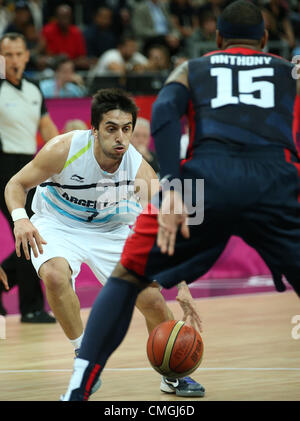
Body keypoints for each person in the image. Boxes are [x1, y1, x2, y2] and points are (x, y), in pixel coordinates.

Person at [59, 0, 300, 401]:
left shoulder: (192, 67)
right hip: (275, 179)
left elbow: (167, 112)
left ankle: (78, 387)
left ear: (217, 38)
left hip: (206, 182)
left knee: (127, 276)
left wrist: (171, 185)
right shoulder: (286, 67)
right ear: (264, 39)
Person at [5, 87, 204, 397]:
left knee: (152, 300)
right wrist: (20, 218)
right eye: (111, 128)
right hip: (58, 224)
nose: (121, 138)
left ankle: (172, 374)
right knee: (56, 275)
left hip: (112, 229)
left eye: (127, 129)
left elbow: (167, 224)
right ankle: (85, 359)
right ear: (94, 129)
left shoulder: (138, 169)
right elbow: (16, 184)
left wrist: (181, 284)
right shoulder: (63, 149)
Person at [0, 32, 58, 323]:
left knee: (34, 231)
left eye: (17, 53)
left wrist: (65, 159)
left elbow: (47, 129)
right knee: (27, 229)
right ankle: (32, 307)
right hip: (2, 165)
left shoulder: (34, 88)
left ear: (26, 56)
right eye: (7, 54)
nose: (13, 60)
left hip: (28, 166)